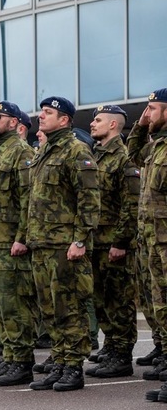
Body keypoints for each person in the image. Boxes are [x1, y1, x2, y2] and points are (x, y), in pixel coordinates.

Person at [26, 97, 99, 392]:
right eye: (42, 111)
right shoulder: (44, 152)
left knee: (70, 306)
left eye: (48, 113)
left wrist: (80, 238)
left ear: (65, 120)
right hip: (42, 242)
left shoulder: (76, 150)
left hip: (64, 243)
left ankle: (74, 366)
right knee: (50, 308)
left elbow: (89, 198)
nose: (41, 116)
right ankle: (60, 359)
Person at [0, 102, 38, 387]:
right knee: (0, 306)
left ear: (14, 122)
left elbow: (28, 201)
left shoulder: (22, 153)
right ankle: (11, 355)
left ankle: (22, 361)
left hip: (10, 243)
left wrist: (22, 238)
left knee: (15, 304)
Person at [86, 105, 139, 379]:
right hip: (96, 241)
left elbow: (130, 205)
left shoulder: (124, 157)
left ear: (113, 126)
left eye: (98, 120)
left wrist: (121, 241)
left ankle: (122, 354)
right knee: (101, 299)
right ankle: (111, 344)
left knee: (119, 299)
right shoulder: (96, 156)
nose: (92, 124)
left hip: (114, 243)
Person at [126, 89, 167, 402]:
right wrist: (141, 124)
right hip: (153, 240)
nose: (147, 114)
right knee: (160, 305)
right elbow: (134, 152)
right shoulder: (157, 148)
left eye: (152, 109)